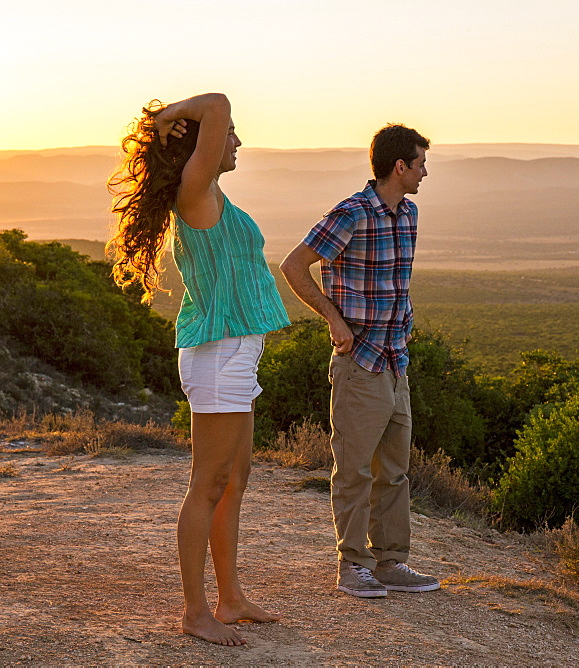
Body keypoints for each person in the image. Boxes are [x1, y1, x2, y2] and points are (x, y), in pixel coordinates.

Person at [108, 93, 290, 645]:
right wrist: (166, 119)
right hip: (217, 352)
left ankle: (229, 599)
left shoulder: (214, 198)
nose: (235, 140)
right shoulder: (197, 191)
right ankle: (194, 611)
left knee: (234, 481)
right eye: (228, 134)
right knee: (207, 485)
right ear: (198, 150)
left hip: (236, 350)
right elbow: (217, 102)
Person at [280, 124, 440, 598]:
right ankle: (353, 565)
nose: (424, 172)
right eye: (420, 163)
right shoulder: (351, 213)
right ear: (399, 166)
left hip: (395, 362)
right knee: (354, 470)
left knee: (393, 471)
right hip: (359, 362)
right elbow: (292, 265)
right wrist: (333, 319)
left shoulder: (408, 214)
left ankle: (391, 563)